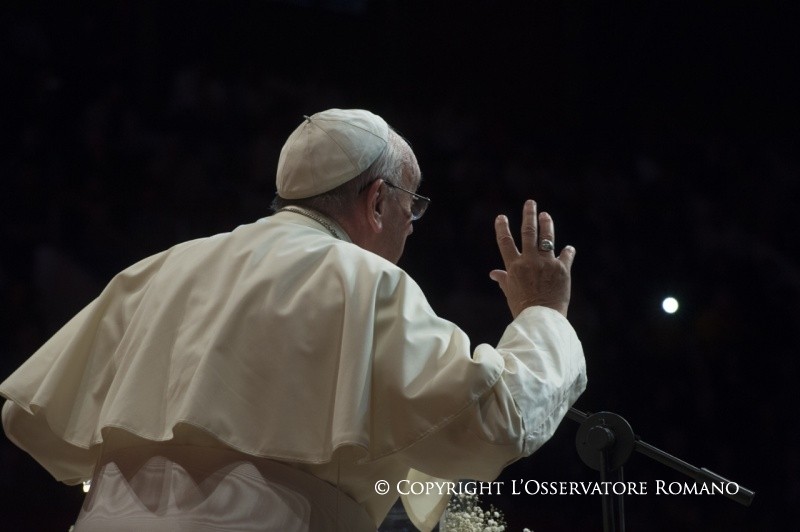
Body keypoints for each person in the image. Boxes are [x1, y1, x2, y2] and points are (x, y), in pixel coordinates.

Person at [0, 108, 586, 531]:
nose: (412, 223)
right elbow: (494, 419)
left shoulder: (161, 268)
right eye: (413, 205)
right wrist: (542, 316)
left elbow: (28, 417)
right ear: (377, 200)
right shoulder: (364, 281)